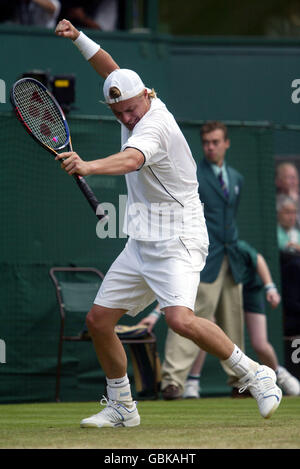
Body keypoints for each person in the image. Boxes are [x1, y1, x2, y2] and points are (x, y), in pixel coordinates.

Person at [55, 19, 282, 428]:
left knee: (180, 319)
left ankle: (257, 374)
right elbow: (111, 70)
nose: (126, 117)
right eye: (118, 111)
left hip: (179, 236)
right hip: (142, 239)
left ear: (147, 95)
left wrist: (87, 166)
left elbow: (132, 159)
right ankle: (123, 406)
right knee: (98, 322)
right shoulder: (129, 97)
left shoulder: (155, 124)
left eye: (131, 108)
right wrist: (79, 39)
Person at [160, 121, 246, 400]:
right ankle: (172, 382)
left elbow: (229, 219)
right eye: (206, 142)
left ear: (226, 143)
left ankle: (240, 380)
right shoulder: (194, 174)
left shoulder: (236, 178)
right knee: (187, 318)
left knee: (233, 322)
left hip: (230, 260)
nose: (210, 147)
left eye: (216, 142)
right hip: (203, 259)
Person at [182, 241, 300, 398]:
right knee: (204, 331)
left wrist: (270, 287)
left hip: (250, 292)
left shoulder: (237, 246)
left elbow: (258, 260)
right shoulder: (200, 251)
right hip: (219, 292)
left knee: (260, 343)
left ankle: (279, 375)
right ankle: (193, 382)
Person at [277, 195, 300, 336]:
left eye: (294, 212)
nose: (291, 216)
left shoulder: (297, 233)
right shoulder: (275, 233)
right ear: (279, 213)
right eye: (287, 212)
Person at [275, 162, 300, 227]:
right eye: (289, 177)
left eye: (295, 177)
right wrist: (292, 200)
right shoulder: (275, 202)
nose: (293, 181)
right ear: (278, 181)